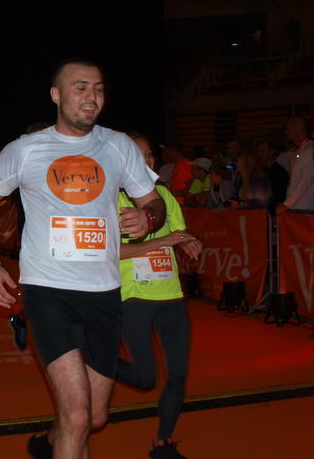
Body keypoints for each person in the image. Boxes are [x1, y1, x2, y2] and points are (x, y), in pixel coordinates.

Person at [0, 58, 165, 459]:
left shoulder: (118, 146)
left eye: (98, 89)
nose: (91, 97)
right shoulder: (27, 149)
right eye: (80, 88)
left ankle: (48, 444)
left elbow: (154, 202)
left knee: (93, 418)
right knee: (77, 417)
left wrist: (148, 219)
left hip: (104, 294)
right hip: (48, 292)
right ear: (56, 95)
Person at [118, 132, 202, 459]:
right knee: (144, 378)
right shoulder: (111, 200)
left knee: (178, 374)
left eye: (150, 154)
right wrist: (163, 241)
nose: (148, 160)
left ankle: (163, 443)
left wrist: (188, 241)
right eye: (138, 154)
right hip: (134, 298)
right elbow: (111, 252)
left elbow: (178, 233)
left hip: (171, 297)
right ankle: (91, 356)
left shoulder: (163, 195)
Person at [276, 116, 314, 213]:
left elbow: (305, 181)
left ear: (297, 129)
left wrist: (286, 204)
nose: (286, 132)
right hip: (297, 207)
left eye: (288, 128)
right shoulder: (299, 152)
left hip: (305, 209)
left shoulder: (310, 150)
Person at [256, 139, 288, 210]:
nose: (260, 153)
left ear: (271, 151)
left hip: (275, 210)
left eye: (262, 150)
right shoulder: (262, 171)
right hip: (263, 209)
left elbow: (280, 196)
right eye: (258, 151)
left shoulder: (280, 171)